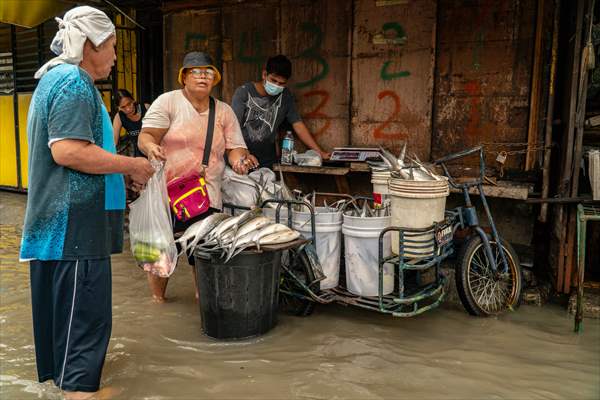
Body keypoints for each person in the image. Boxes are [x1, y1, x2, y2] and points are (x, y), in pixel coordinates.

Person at [19, 6, 154, 400]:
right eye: (111, 46)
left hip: (56, 229)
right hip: (74, 230)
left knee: (65, 330)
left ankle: (69, 386)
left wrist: (120, 175)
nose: (114, 55)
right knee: (85, 327)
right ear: (92, 44)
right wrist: (133, 164)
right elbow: (68, 151)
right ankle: (81, 394)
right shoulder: (74, 82)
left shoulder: (52, 79)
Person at [138, 51, 258, 303]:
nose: (203, 76)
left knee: (202, 254)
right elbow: (146, 136)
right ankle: (158, 301)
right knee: (162, 251)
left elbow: (235, 147)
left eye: (208, 72)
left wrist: (238, 161)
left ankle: (202, 301)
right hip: (167, 192)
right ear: (184, 77)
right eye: (196, 72)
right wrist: (151, 148)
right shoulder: (167, 102)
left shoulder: (223, 111)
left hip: (205, 194)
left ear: (215, 78)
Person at [231, 54, 330, 169]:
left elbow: (298, 125)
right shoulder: (243, 92)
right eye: (273, 80)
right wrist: (244, 153)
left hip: (267, 161)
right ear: (264, 75)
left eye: (281, 83)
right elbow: (232, 128)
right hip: (242, 159)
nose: (277, 85)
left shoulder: (285, 96)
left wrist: (319, 152)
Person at [112, 88, 150, 157]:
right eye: (123, 107)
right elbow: (114, 142)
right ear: (118, 108)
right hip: (136, 154)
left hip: (152, 149)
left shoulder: (146, 108)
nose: (128, 109)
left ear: (133, 100)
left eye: (129, 104)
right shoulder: (119, 117)